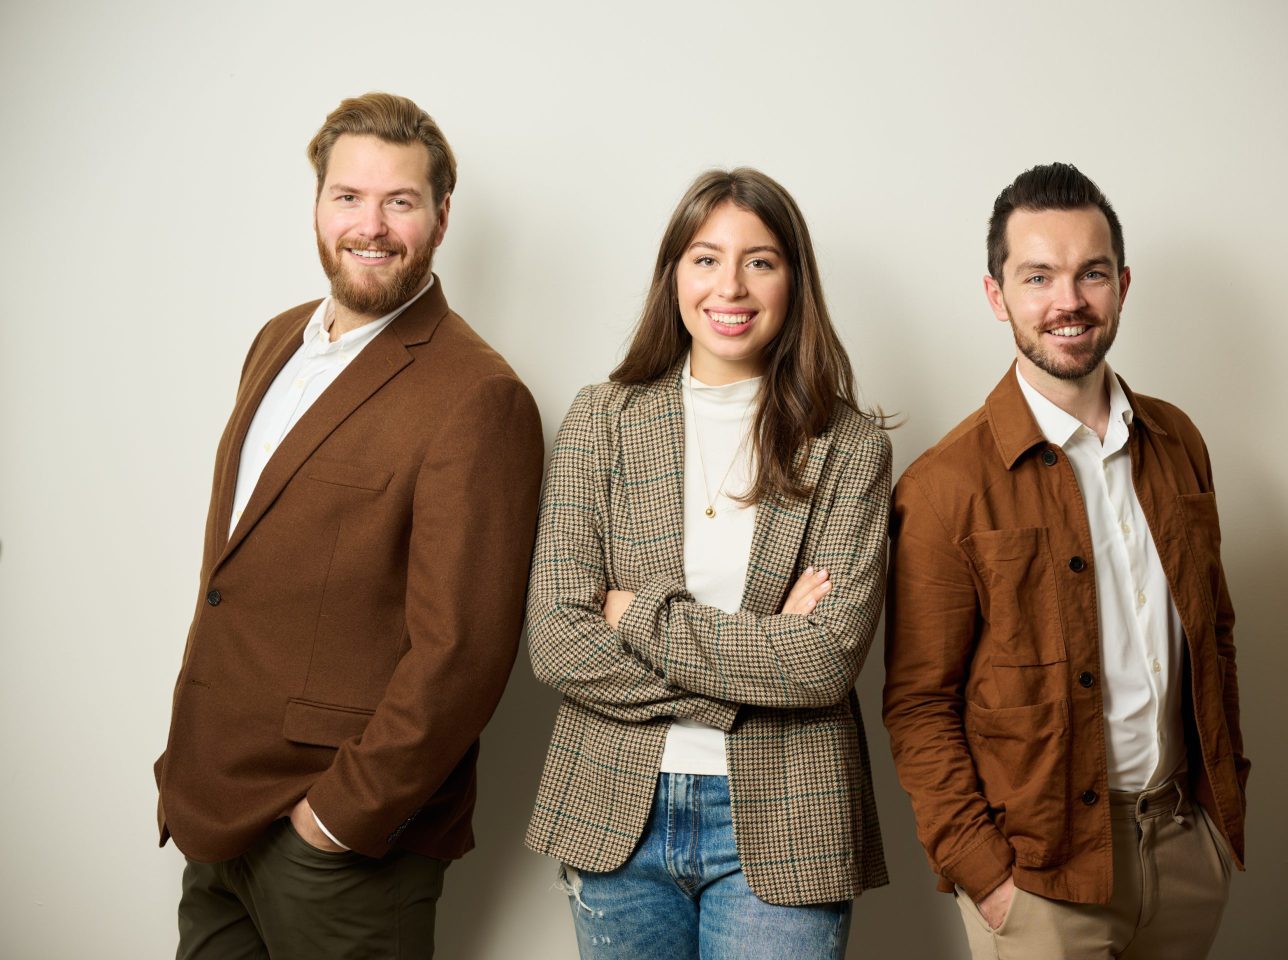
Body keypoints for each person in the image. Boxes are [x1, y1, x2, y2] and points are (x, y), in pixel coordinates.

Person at [153, 92, 544, 959]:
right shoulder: (277, 341)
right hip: (215, 811)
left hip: (337, 848)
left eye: (400, 202)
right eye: (348, 198)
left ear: (442, 219)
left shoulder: (479, 396)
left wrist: (338, 819)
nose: (371, 225)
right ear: (318, 205)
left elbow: (464, 653)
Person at [883, 162, 1248, 959]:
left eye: (1089, 274)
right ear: (997, 295)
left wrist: (1217, 829)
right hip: (1040, 880)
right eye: (1038, 276)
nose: (1068, 301)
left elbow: (1213, 629)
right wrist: (988, 877)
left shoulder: (1178, 442)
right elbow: (918, 706)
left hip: (1185, 846)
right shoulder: (945, 486)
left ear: (1120, 285)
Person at [525, 168, 890, 960]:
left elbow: (824, 662)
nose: (731, 285)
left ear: (795, 281)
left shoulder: (850, 447)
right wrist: (761, 652)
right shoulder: (602, 420)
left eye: (760, 260)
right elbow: (556, 640)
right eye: (705, 258)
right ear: (674, 276)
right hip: (617, 810)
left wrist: (634, 616)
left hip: (788, 812)